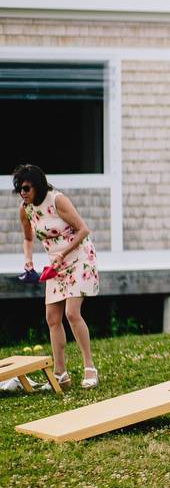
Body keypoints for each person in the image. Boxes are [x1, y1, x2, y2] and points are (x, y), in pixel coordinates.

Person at [14, 164, 100, 389]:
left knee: (72, 313)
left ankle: (89, 367)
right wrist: (28, 261)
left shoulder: (57, 200)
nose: (22, 193)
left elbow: (83, 229)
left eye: (26, 188)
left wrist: (63, 253)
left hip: (79, 256)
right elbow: (28, 238)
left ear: (38, 185)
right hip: (55, 263)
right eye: (19, 189)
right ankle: (60, 372)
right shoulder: (26, 208)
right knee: (52, 318)